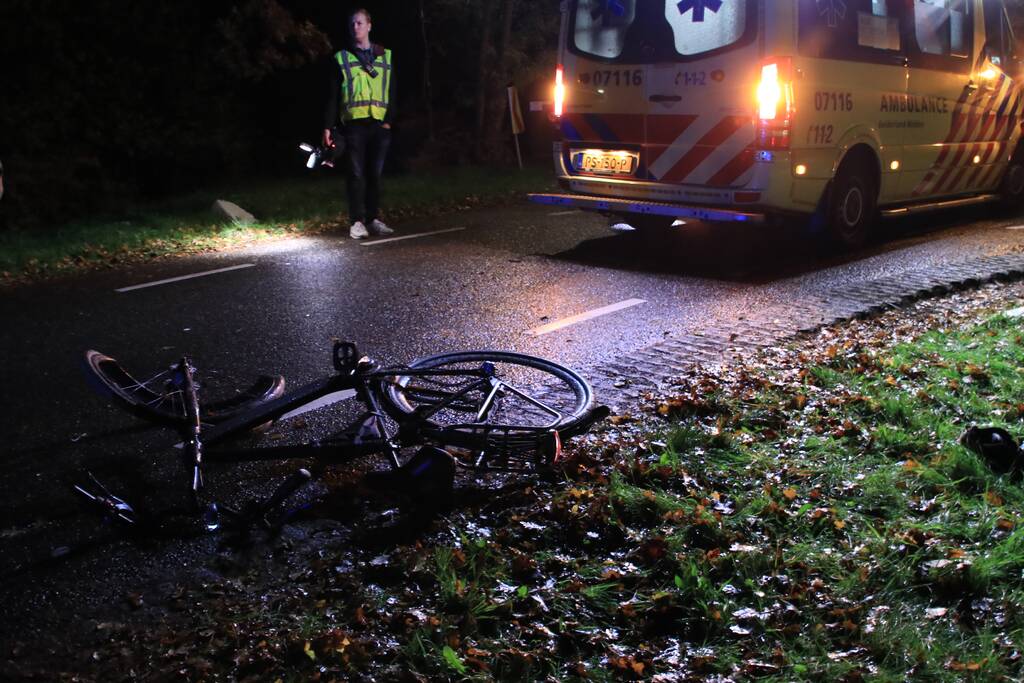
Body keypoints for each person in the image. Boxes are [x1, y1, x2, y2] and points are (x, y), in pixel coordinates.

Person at [323, 8, 395, 240]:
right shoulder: (342, 58)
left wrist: (389, 122)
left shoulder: (385, 56)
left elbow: (393, 91)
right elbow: (333, 95)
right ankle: (357, 221)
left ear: (369, 26)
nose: (356, 27)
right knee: (355, 174)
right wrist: (327, 126)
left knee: (375, 174)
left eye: (360, 23)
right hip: (354, 126)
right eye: (352, 24)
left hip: (379, 125)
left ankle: (373, 219)